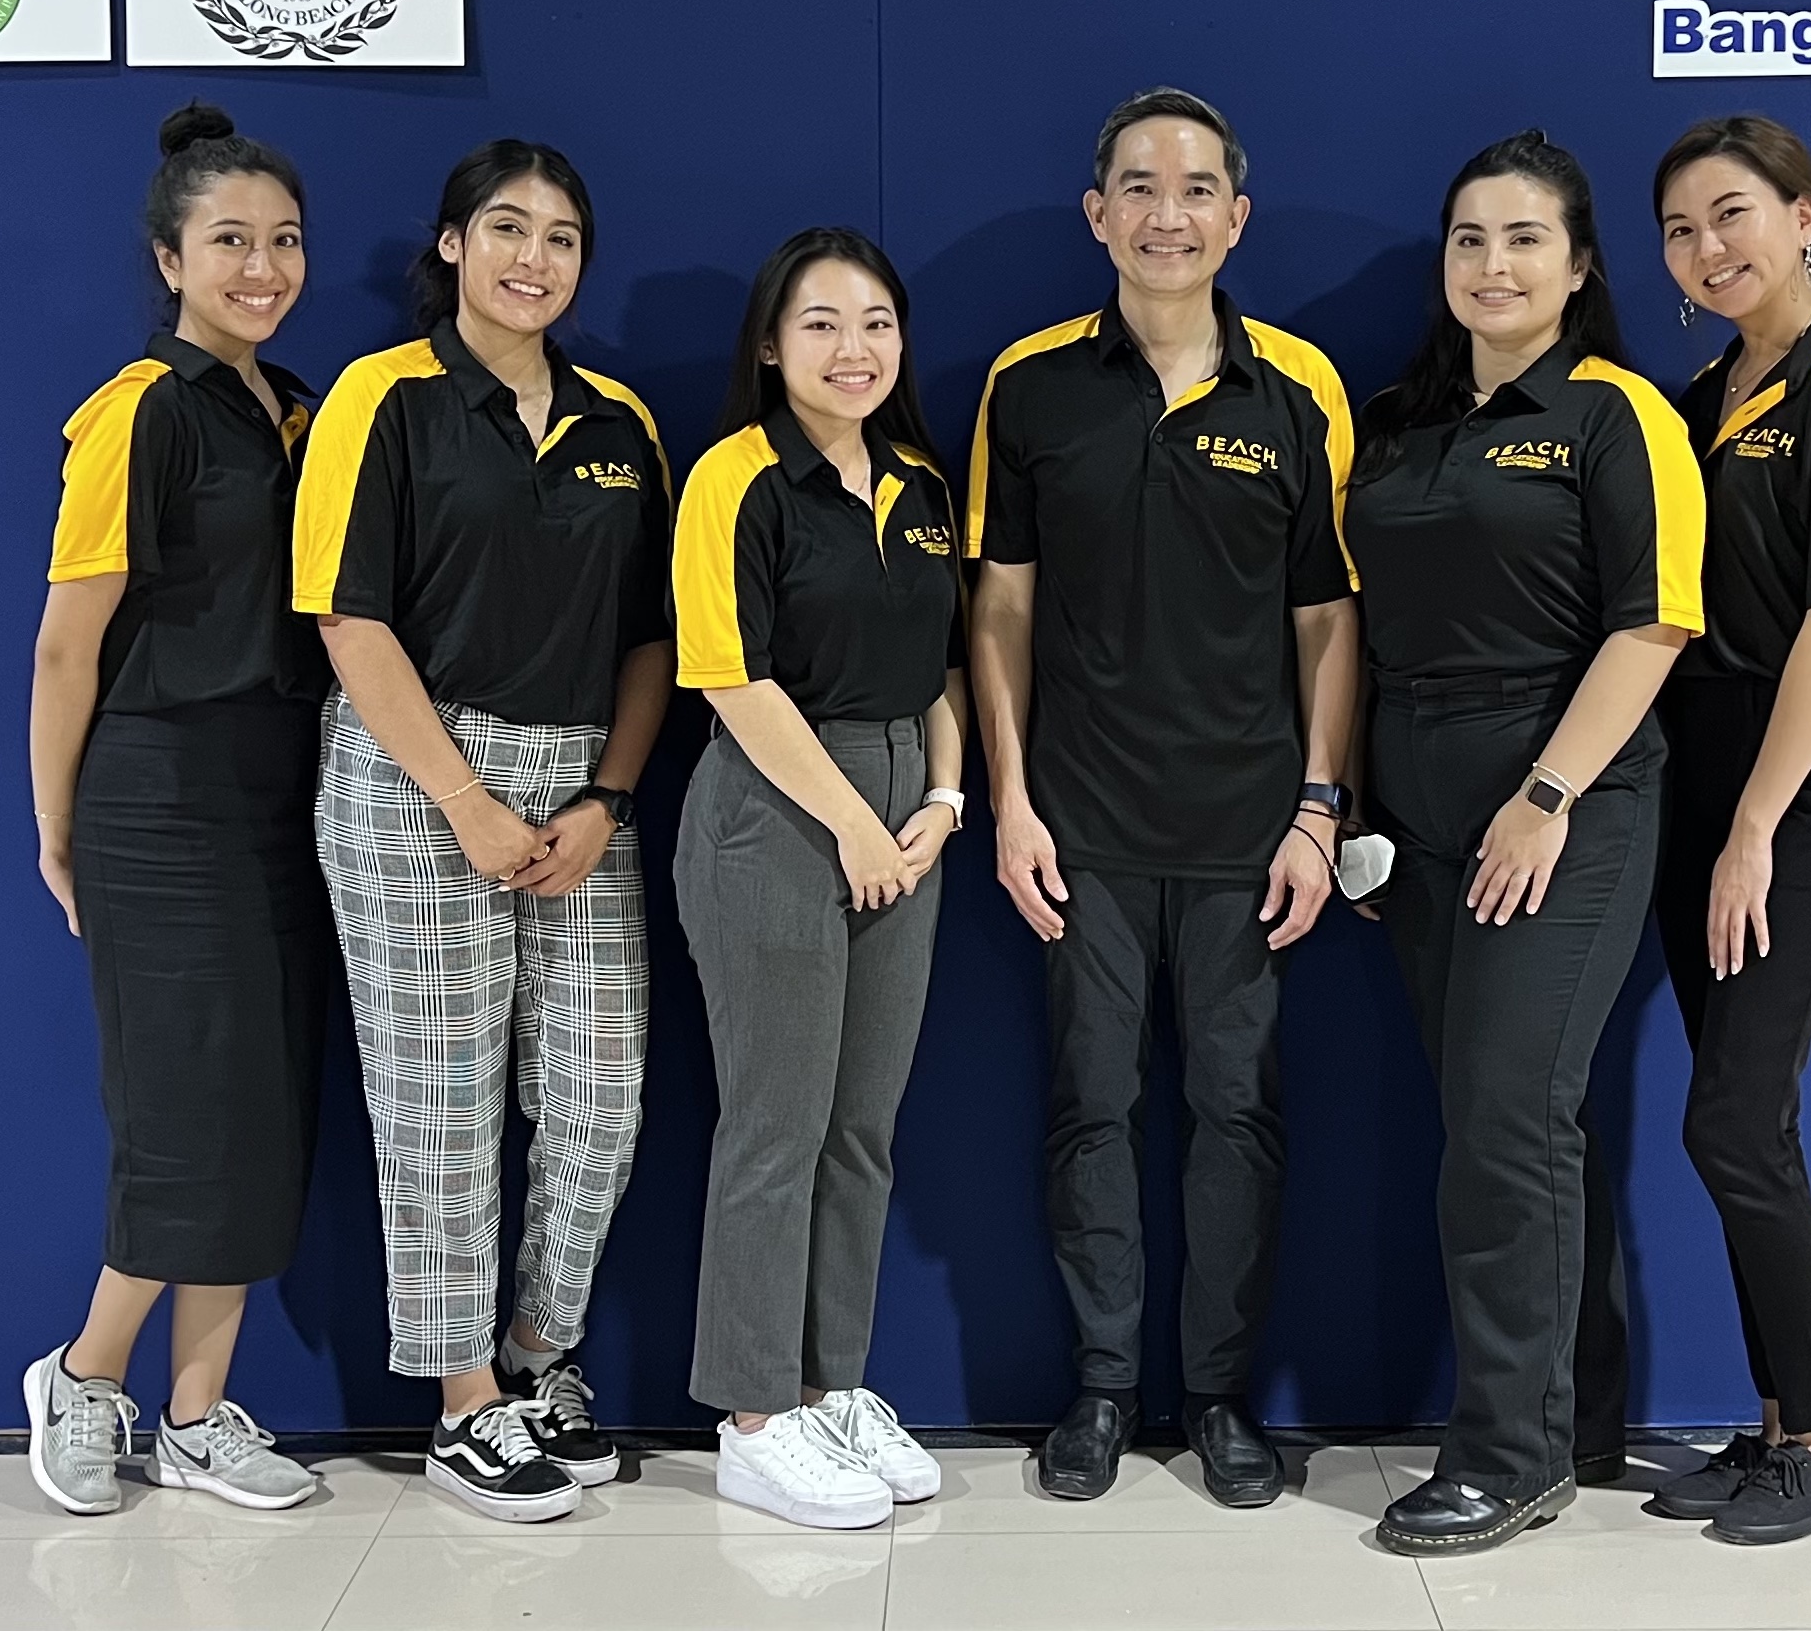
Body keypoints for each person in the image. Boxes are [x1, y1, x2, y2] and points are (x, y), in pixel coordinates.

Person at [970, 87, 1361, 1507]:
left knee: (1235, 1112)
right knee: (1087, 1107)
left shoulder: (1298, 388)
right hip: (1078, 826)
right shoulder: (1027, 386)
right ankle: (1101, 1387)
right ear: (1097, 214)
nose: (1166, 213)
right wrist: (1008, 801)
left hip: (1250, 830)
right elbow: (995, 614)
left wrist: (1318, 806)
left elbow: (1329, 618)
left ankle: (1214, 1398)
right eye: (1137, 187)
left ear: (1234, 218)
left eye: (1195, 189)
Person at [292, 141, 674, 1523]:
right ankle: (459, 1399)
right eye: (505, 228)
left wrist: (602, 799)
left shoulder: (621, 418)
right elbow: (347, 613)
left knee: (596, 1098)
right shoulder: (378, 396)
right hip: (412, 777)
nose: (533, 257)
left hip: (579, 789)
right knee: (439, 1105)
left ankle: (532, 1354)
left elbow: (651, 636)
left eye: (561, 236)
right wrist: (461, 799)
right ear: (451, 243)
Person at [1342, 132, 1703, 1556]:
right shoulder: (1402, 417)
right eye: (1469, 239)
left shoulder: (1615, 414)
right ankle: (1579, 1412)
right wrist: (1363, 808)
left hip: (1562, 809)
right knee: (1504, 1128)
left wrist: (1544, 795)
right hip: (1419, 820)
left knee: (1504, 1120)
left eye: (1523, 239)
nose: (1492, 265)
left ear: (1578, 264)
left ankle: (1509, 1451)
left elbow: (1654, 619)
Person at [20, 103, 333, 1518]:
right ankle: (85, 1375)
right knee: (183, 1108)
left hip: (284, 789)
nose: (260, 267)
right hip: (155, 788)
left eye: (281, 241)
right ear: (169, 257)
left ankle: (198, 1414)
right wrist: (58, 823)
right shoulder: (139, 407)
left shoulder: (303, 411)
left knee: (261, 1106)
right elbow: (66, 642)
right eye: (229, 242)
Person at [669, 228, 974, 1530]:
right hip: (779, 807)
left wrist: (945, 801)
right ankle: (750, 1412)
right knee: (774, 1123)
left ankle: (827, 1379)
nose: (852, 349)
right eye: (820, 323)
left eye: (876, 323)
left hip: (908, 804)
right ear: (768, 343)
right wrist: (853, 819)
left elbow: (943, 666)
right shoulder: (735, 479)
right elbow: (732, 675)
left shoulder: (916, 480)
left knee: (860, 1126)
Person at [1633, 115, 1811, 1545]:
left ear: (1804, 216)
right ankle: (1775, 1422)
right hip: (1706, 761)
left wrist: (1752, 826)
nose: (1707, 248)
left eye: (1731, 214)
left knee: (1732, 1114)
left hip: (1806, 774)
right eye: (1680, 229)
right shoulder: (1700, 390)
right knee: (1752, 1120)